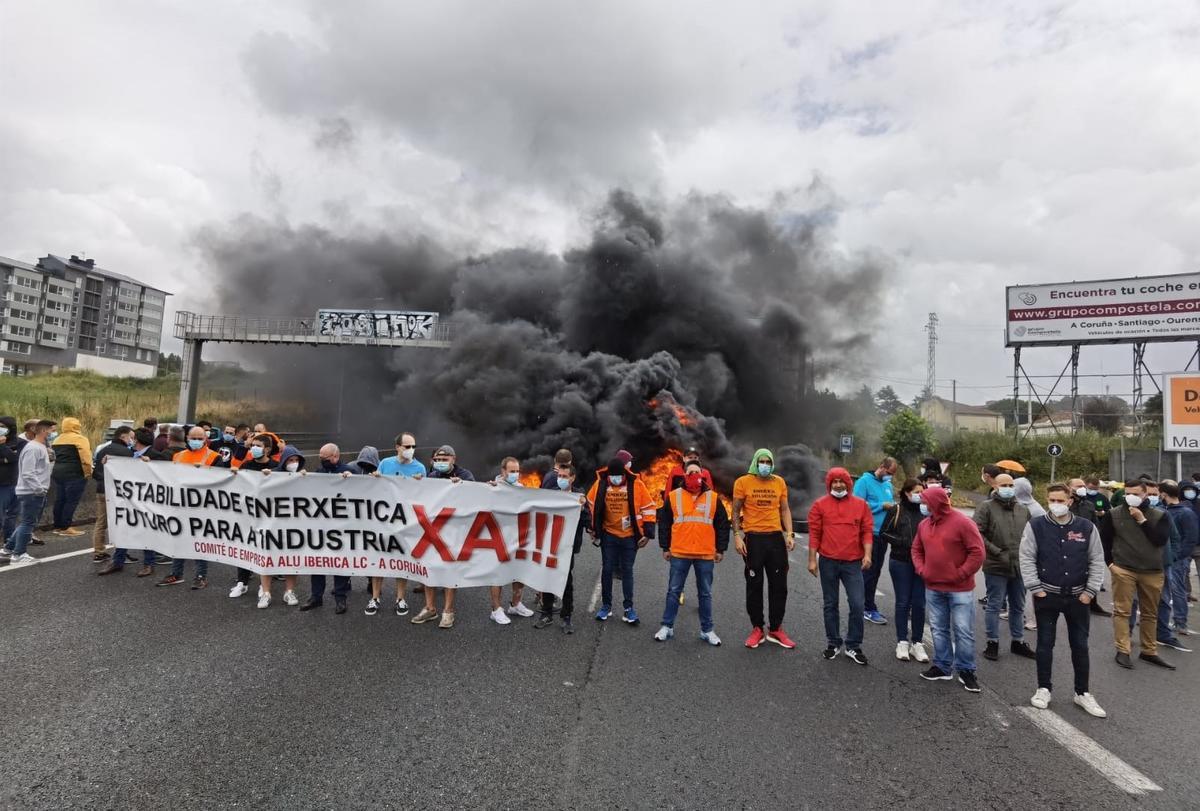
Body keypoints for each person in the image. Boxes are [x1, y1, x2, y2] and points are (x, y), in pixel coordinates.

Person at [1020, 484, 1107, 718]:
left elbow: (1097, 559)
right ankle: (1043, 688)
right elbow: (1027, 556)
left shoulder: (1086, 527)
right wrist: (1036, 588)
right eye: (1051, 499)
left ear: (1070, 501)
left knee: (1080, 645)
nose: (1055, 504)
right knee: (1045, 644)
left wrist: (1090, 592)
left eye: (1060, 500)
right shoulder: (1036, 525)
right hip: (1047, 595)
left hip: (1078, 596)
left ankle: (1082, 692)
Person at [914, 486, 986, 692]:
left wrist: (960, 573)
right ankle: (942, 666)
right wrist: (922, 569)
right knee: (938, 628)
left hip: (960, 589)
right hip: (933, 586)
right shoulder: (924, 525)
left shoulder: (963, 523)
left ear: (936, 503)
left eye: (926, 502)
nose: (923, 506)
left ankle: (966, 670)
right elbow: (916, 549)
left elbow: (977, 552)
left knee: (963, 630)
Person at [653, 460, 729, 646]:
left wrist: (720, 549)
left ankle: (707, 630)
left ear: (702, 475)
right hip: (680, 552)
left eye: (696, 472)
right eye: (690, 472)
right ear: (684, 475)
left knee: (705, 593)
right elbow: (664, 523)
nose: (693, 475)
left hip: (705, 554)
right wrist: (665, 547)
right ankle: (667, 626)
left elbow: (722, 525)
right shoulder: (673, 496)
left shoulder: (713, 498)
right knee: (673, 591)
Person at [1100, 479, 1174, 670]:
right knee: (1122, 611)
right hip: (1124, 568)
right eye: (1128, 493)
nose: (1131, 497)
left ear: (1145, 494)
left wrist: (1142, 520)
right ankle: (1123, 650)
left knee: (1150, 613)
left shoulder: (1160, 515)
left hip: (1152, 570)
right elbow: (1105, 540)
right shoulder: (1114, 514)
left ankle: (1149, 651)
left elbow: (1160, 540)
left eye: (1136, 493)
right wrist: (1110, 564)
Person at [807, 467, 873, 664]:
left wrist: (867, 555)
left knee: (857, 603)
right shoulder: (819, 505)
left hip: (853, 563)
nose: (838, 485)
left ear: (848, 483)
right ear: (829, 484)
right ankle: (833, 642)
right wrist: (812, 560)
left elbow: (867, 532)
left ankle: (853, 645)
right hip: (828, 561)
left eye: (841, 481)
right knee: (830, 604)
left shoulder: (861, 505)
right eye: (834, 481)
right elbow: (814, 534)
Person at [732, 448, 795, 649]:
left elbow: (784, 509)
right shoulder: (742, 482)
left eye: (768, 461)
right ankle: (757, 628)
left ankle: (776, 629)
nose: (765, 465)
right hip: (754, 540)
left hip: (775, 539)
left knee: (779, 586)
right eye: (762, 461)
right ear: (755, 462)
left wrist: (790, 534)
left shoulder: (779, 482)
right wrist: (736, 536)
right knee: (754, 586)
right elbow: (735, 511)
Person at [587, 454, 656, 625]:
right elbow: (590, 504)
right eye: (612, 476)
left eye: (619, 476)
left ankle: (628, 609)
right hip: (609, 535)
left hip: (630, 538)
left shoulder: (636, 485)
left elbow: (649, 508)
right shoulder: (601, 484)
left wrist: (647, 533)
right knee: (607, 570)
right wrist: (592, 528)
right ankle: (606, 607)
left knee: (627, 572)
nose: (615, 479)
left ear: (625, 474)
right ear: (608, 475)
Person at [410, 445, 474, 629]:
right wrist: (416, 483)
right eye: (438, 460)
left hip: (454, 531)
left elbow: (475, 497)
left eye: (445, 459)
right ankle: (430, 608)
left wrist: (461, 487)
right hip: (432, 530)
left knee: (449, 570)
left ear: (453, 459)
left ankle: (448, 611)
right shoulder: (432, 477)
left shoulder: (465, 475)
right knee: (429, 567)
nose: (441, 463)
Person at [975, 473, 1036, 662]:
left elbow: (1030, 536)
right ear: (995, 487)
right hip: (996, 565)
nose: (1008, 488)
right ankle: (992, 642)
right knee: (994, 604)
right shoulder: (986, 507)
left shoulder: (1022, 510)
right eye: (1004, 485)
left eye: (1011, 485)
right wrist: (997, 551)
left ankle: (1018, 641)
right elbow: (977, 533)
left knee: (1018, 606)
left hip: (1019, 566)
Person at [157, 426, 218, 589]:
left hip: (203, 508)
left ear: (206, 439)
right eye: (193, 437)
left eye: (200, 438)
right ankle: (176, 573)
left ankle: (200, 576)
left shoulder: (214, 457)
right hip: (181, 505)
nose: (196, 441)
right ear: (187, 438)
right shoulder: (178, 456)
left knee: (199, 542)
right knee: (179, 540)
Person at [371, 432, 425, 612]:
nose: (411, 450)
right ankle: (375, 598)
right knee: (380, 559)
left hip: (405, 521)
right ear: (398, 447)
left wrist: (420, 483)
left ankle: (400, 598)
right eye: (407, 446)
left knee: (402, 560)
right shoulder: (385, 464)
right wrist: (375, 478)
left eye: (413, 447)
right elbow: (376, 489)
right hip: (384, 519)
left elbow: (425, 495)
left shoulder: (420, 468)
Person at [536, 463, 591, 633]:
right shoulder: (551, 494)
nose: (561, 479)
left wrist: (581, 509)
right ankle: (547, 612)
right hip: (550, 543)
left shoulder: (579, 496)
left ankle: (566, 616)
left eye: (565, 476)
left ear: (572, 478)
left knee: (566, 580)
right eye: (559, 476)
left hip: (568, 545)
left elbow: (587, 522)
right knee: (547, 577)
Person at [880, 479, 931, 663]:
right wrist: (903, 541)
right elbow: (883, 533)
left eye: (922, 491)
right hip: (900, 562)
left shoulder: (926, 512)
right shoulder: (897, 510)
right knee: (903, 602)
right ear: (907, 493)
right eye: (916, 491)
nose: (920, 494)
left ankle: (917, 643)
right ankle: (902, 641)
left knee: (919, 603)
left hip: (922, 564)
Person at [101, 428, 160, 576]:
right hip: (128, 500)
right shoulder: (131, 455)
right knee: (123, 529)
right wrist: (109, 463)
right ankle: (117, 561)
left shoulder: (156, 456)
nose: (131, 440)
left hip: (147, 502)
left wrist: (152, 464)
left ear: (137, 440)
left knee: (147, 531)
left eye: (133, 438)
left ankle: (149, 564)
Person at [257, 446, 307, 609]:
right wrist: (262, 478)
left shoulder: (303, 476)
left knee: (291, 560)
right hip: (271, 524)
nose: (293, 463)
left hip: (293, 526)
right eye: (290, 460)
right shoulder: (271, 473)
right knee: (267, 558)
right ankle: (265, 593)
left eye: (296, 460)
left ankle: (289, 591)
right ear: (284, 460)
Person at [229, 434, 278, 599]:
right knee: (245, 547)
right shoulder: (247, 465)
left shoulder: (276, 467)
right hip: (247, 515)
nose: (254, 449)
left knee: (264, 550)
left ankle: (262, 585)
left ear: (268, 449)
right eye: (252, 446)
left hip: (267, 516)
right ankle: (241, 583)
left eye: (258, 445)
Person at [487, 457, 534, 624]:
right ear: (503, 472)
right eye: (512, 471)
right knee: (498, 574)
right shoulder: (493, 487)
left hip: (518, 538)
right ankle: (496, 609)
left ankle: (515, 604)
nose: (515, 474)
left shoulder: (521, 489)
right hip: (498, 538)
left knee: (519, 573)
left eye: (517, 471)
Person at [853, 456, 898, 626]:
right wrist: (880, 506)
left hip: (883, 534)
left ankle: (865, 604)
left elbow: (891, 503)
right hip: (868, 533)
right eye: (889, 472)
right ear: (881, 467)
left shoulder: (887, 485)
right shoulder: (864, 482)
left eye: (892, 474)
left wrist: (892, 507)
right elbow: (857, 505)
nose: (890, 476)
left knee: (876, 570)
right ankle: (867, 607)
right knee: (869, 570)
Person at [3, 420, 56, 566]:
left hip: (31, 491)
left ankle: (8, 548)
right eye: (51, 431)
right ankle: (19, 554)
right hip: (31, 492)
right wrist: (39, 489)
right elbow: (28, 472)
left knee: (25, 522)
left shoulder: (39, 447)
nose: (53, 434)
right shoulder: (33, 448)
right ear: (44, 431)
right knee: (28, 523)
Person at [1159, 482, 1196, 646]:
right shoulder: (1164, 510)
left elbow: (1190, 538)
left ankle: (1180, 622)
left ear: (1164, 494)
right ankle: (1161, 621)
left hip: (1177, 559)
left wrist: (1178, 556)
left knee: (1177, 590)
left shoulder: (1185, 513)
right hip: (1164, 558)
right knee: (1162, 591)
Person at [91, 425, 133, 565]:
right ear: (123, 437)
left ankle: (98, 552)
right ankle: (121, 553)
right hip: (118, 492)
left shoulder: (102, 450)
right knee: (121, 521)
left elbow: (95, 472)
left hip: (102, 490)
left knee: (101, 522)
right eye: (130, 437)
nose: (132, 440)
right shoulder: (126, 452)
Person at [49, 416, 92, 536]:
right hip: (74, 473)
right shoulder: (80, 439)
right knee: (71, 501)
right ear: (76, 426)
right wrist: (88, 472)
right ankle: (66, 527)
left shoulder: (57, 439)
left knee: (60, 499)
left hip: (57, 472)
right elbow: (86, 459)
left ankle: (57, 526)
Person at [0, 415, 28, 555]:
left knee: (12, 515)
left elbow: (14, 458)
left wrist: (3, 447)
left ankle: (8, 543)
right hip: (2, 485)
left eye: (3, 426)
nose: (1, 429)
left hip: (16, 483)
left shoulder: (20, 442)